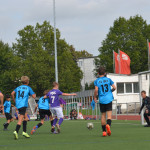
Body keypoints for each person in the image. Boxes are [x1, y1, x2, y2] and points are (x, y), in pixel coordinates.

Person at [94, 67, 116, 137]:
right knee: (109, 116)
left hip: (102, 100)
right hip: (109, 99)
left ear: (98, 73)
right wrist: (110, 91)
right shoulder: (108, 79)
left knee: (103, 116)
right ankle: (108, 125)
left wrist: (95, 97)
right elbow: (115, 87)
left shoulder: (97, 81)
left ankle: (104, 132)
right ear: (104, 73)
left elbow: (96, 90)